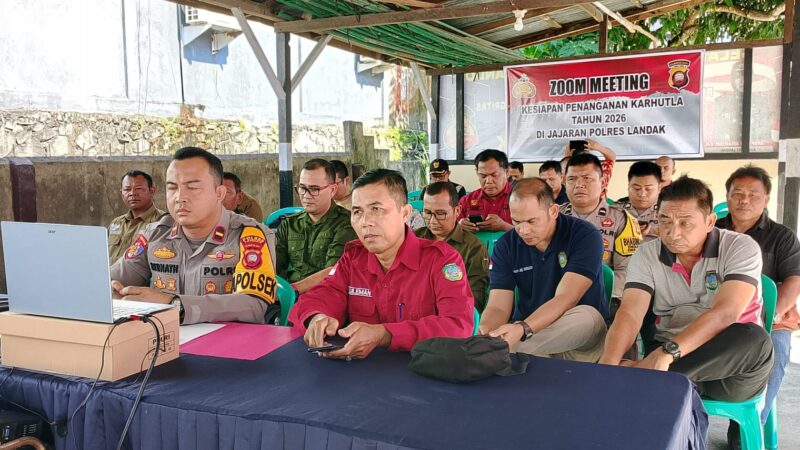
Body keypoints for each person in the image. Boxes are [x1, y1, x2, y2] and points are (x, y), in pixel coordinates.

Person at [599, 177, 773, 431]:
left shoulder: (739, 248)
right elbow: (630, 313)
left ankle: (640, 376)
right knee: (620, 360)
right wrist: (608, 364)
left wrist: (664, 355)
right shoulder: (647, 255)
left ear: (710, 221)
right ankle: (645, 380)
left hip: (730, 370)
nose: (673, 232)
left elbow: (726, 313)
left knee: (755, 339)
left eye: (685, 223)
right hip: (668, 363)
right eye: (665, 221)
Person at [289, 169, 474, 360]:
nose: (365, 222)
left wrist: (385, 334)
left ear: (405, 213)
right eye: (357, 212)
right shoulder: (353, 259)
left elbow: (458, 326)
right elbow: (318, 297)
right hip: (361, 375)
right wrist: (317, 317)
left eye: (376, 209)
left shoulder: (441, 260)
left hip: (423, 373)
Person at [111, 147, 278, 325]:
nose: (180, 197)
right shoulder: (155, 234)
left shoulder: (248, 235)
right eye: (172, 188)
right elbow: (113, 278)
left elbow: (253, 305)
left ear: (219, 193)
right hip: (162, 342)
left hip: (226, 347)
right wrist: (112, 292)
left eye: (192, 187)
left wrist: (176, 305)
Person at [479, 178, 608, 362]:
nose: (523, 230)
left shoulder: (584, 236)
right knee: (499, 337)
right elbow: (498, 306)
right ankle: (499, 351)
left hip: (578, 342)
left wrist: (523, 329)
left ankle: (500, 354)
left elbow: (566, 299)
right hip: (532, 339)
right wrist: (487, 332)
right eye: (516, 221)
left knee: (588, 317)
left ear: (553, 211)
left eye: (532, 221)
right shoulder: (506, 245)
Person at [715, 165, 800, 434]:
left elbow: (794, 280)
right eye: (737, 193)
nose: (744, 200)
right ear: (727, 196)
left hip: (769, 317)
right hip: (714, 310)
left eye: (754, 194)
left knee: (775, 348)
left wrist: (773, 316)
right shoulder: (710, 231)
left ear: (766, 199)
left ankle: (747, 428)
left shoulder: (782, 236)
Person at [560, 153, 642, 303]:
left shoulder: (621, 219)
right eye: (572, 179)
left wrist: (606, 298)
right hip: (556, 296)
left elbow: (626, 270)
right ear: (564, 183)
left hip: (603, 298)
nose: (579, 184)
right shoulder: (552, 217)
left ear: (603, 182)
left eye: (587, 178)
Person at [276, 159, 356, 294]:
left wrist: (293, 290)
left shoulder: (346, 224)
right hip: (287, 297)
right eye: (302, 188)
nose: (306, 196)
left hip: (325, 297)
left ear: (332, 190)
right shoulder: (289, 224)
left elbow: (334, 271)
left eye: (314, 189)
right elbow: (274, 265)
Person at [416, 181, 489, 312]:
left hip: (452, 317)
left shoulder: (473, 248)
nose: (433, 221)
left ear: (457, 211)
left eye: (440, 213)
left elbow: (475, 299)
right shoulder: (414, 240)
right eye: (427, 213)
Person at [108, 170, 168, 264]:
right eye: (127, 189)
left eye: (139, 189)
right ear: (121, 193)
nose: (132, 193)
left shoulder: (162, 222)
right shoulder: (117, 222)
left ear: (152, 191)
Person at [457, 149, 513, 232]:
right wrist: (459, 226)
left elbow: (534, 232)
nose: (489, 181)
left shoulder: (522, 198)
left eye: (494, 175)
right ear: (477, 173)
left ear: (507, 172)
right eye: (483, 176)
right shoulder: (466, 201)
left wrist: (504, 226)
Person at [613, 161, 662, 242]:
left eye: (648, 189)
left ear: (659, 188)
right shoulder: (614, 211)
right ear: (628, 186)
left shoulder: (668, 212)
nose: (642, 194)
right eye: (637, 188)